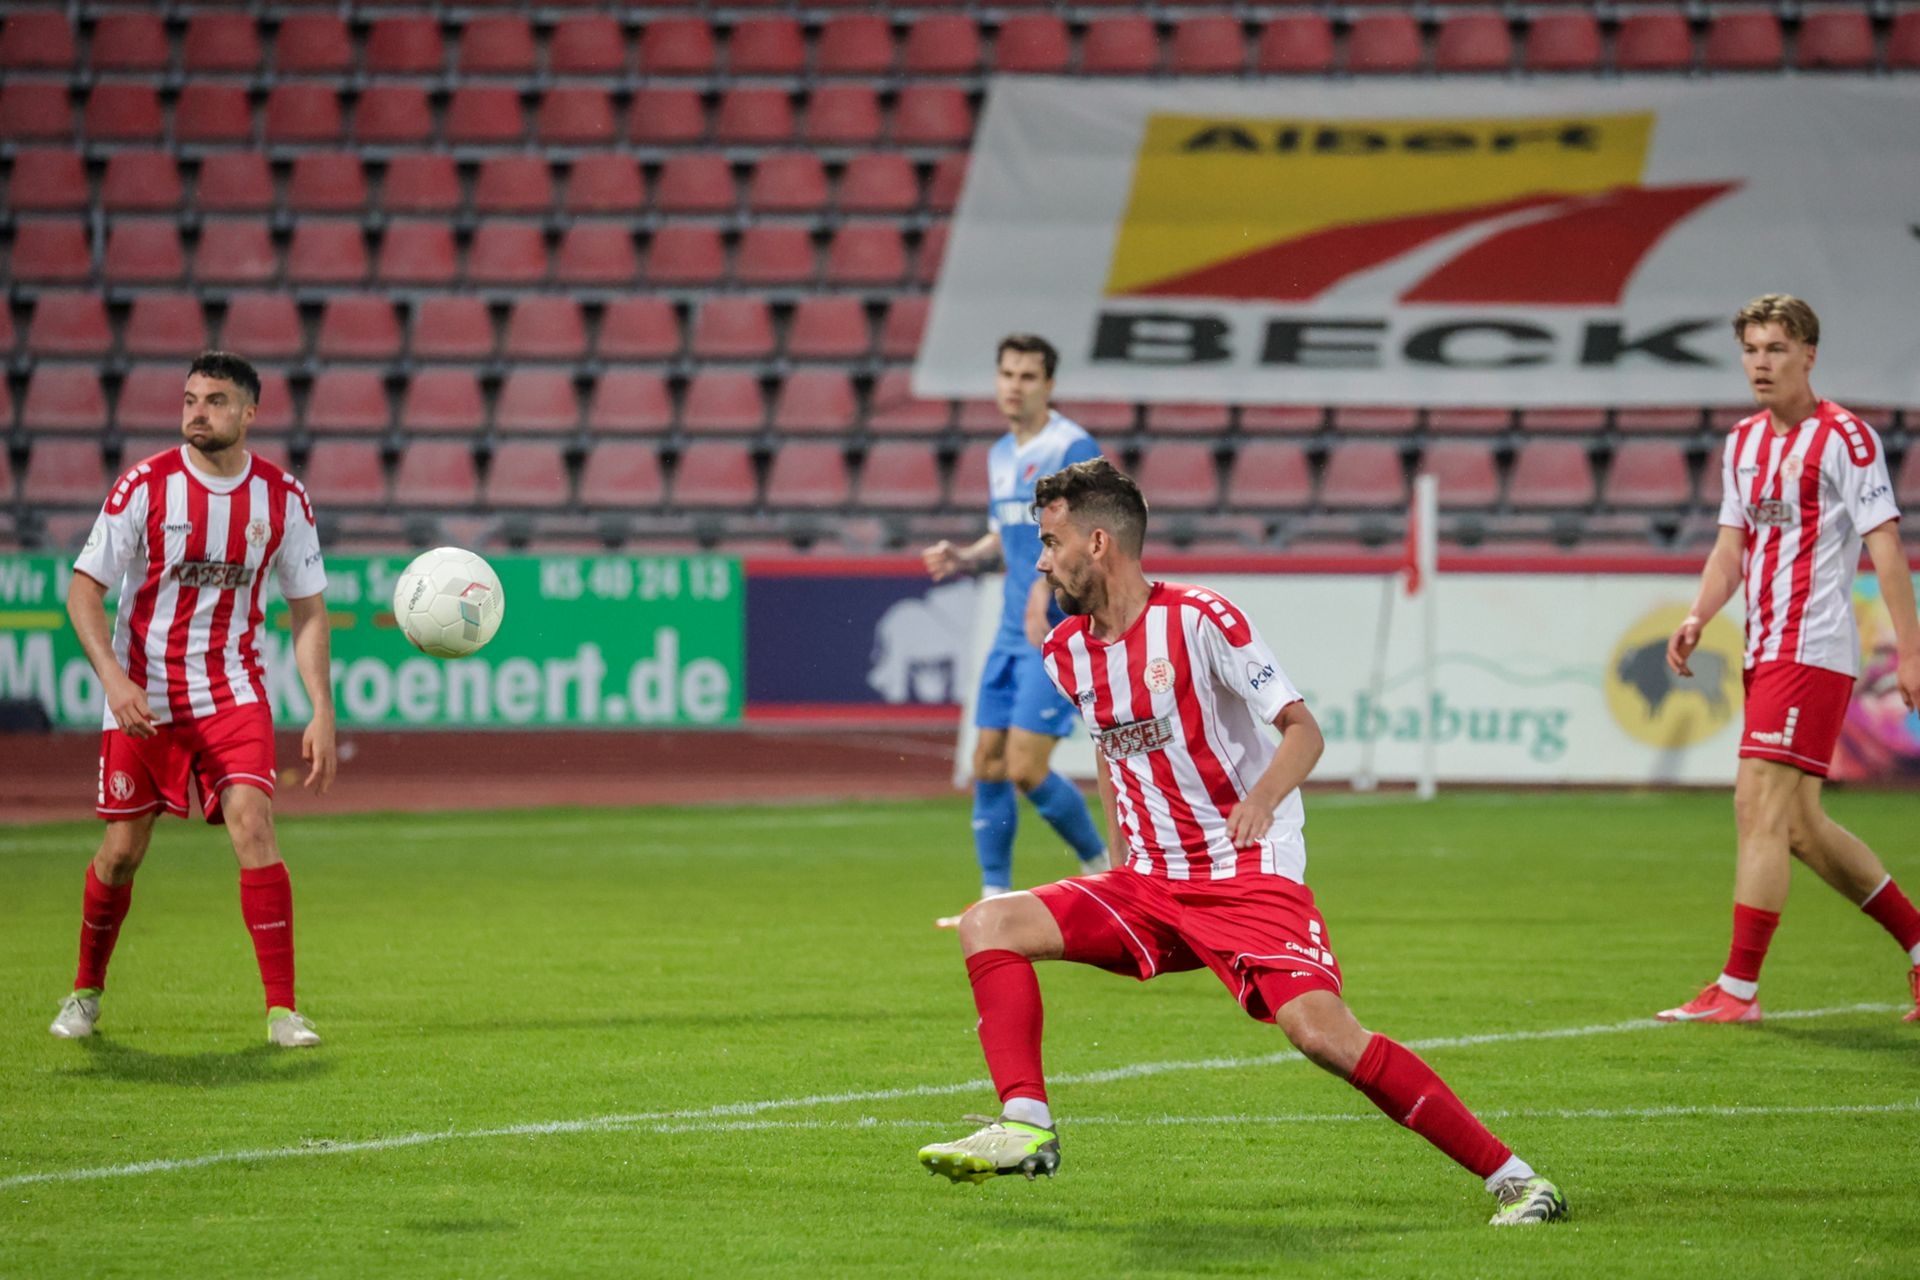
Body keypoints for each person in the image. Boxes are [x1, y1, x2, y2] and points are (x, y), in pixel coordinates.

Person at [917, 459, 1567, 1227]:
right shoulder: (1067, 652)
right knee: (990, 922)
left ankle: (1517, 1180)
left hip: (1243, 875)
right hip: (1148, 884)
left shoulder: (1201, 620)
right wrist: (1120, 855)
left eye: (1051, 542)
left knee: (1321, 1035)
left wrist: (1260, 801)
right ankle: (1026, 1123)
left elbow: (1303, 731)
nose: (1041, 561)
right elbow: (1112, 750)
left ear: (1098, 543)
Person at [48, 351, 338, 1048]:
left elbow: (308, 610)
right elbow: (84, 591)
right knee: (122, 851)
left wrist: (322, 708)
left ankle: (283, 1011)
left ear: (249, 413)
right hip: (143, 696)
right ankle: (85, 991)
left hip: (233, 690)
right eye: (189, 400)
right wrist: (114, 681)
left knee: (254, 825)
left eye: (213, 400)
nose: (196, 413)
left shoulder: (282, 498)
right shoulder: (144, 486)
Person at [1660, 294, 1920, 1024]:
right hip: (1765, 648)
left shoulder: (1846, 439)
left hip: (1814, 647)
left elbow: (1886, 548)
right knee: (1799, 827)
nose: (1761, 364)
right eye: (1751, 350)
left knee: (1757, 808)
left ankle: (1738, 990)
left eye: (1775, 349)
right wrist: (1698, 614)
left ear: (1809, 354)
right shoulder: (1743, 441)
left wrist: (1910, 651)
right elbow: (1730, 548)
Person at [921, 335, 1110, 926]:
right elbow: (1006, 533)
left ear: (1048, 385)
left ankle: (1104, 871)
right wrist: (967, 555)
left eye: (1028, 376)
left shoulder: (1071, 446)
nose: (1014, 386)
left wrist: (1043, 587)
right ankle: (993, 896)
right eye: (1007, 374)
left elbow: (1089, 533)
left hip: (1053, 628)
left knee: (1026, 766)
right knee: (987, 760)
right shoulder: (1001, 453)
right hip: (1009, 630)